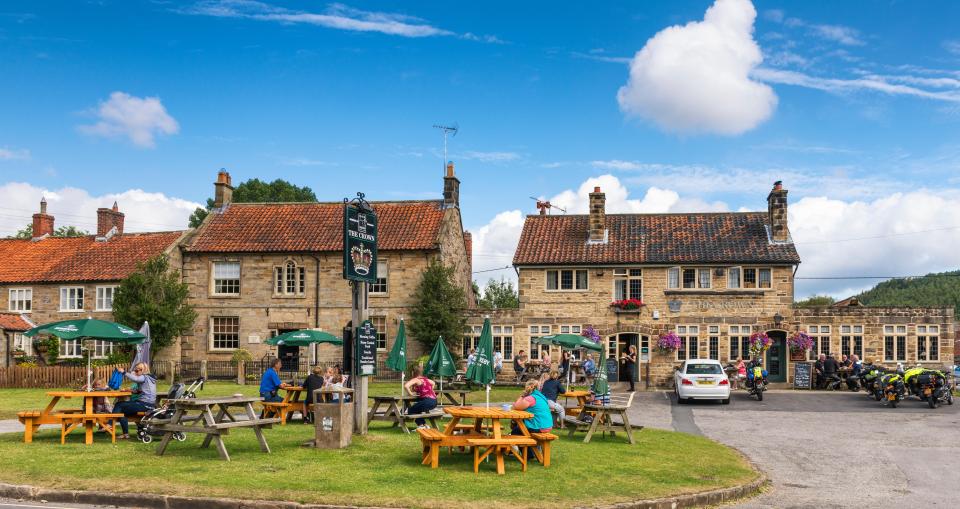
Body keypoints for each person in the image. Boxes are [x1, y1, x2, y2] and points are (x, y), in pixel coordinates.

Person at [112, 363, 156, 440]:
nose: (135, 372)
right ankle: (125, 434)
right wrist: (131, 390)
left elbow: (135, 379)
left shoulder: (145, 377)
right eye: (135, 370)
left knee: (119, 405)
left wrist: (124, 372)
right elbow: (140, 391)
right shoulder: (149, 379)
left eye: (137, 370)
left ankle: (109, 424)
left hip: (144, 404)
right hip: (147, 404)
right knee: (122, 413)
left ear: (143, 370)